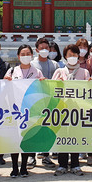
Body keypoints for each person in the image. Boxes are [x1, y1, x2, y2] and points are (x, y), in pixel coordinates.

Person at [4, 44, 46, 177]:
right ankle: (14, 167)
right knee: (15, 138)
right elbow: (4, 89)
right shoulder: (12, 71)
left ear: (32, 55)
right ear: (18, 56)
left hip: (30, 109)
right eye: (22, 54)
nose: (25, 56)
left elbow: (42, 90)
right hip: (15, 110)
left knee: (26, 139)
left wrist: (43, 82)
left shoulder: (37, 72)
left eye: (28, 54)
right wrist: (6, 81)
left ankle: (24, 167)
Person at [52, 44, 91, 176]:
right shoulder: (59, 71)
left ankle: (75, 164)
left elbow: (89, 91)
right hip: (62, 109)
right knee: (63, 136)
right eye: (70, 55)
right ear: (65, 57)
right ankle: (62, 164)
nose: (73, 57)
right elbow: (52, 89)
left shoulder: (84, 72)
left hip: (77, 109)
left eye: (75, 55)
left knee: (75, 136)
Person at [31, 37, 59, 168]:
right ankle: (31, 156)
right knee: (32, 127)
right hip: (35, 100)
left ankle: (45, 155)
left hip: (50, 100)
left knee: (47, 128)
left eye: (46, 48)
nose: (44, 50)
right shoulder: (32, 64)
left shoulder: (54, 64)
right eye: (41, 48)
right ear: (36, 50)